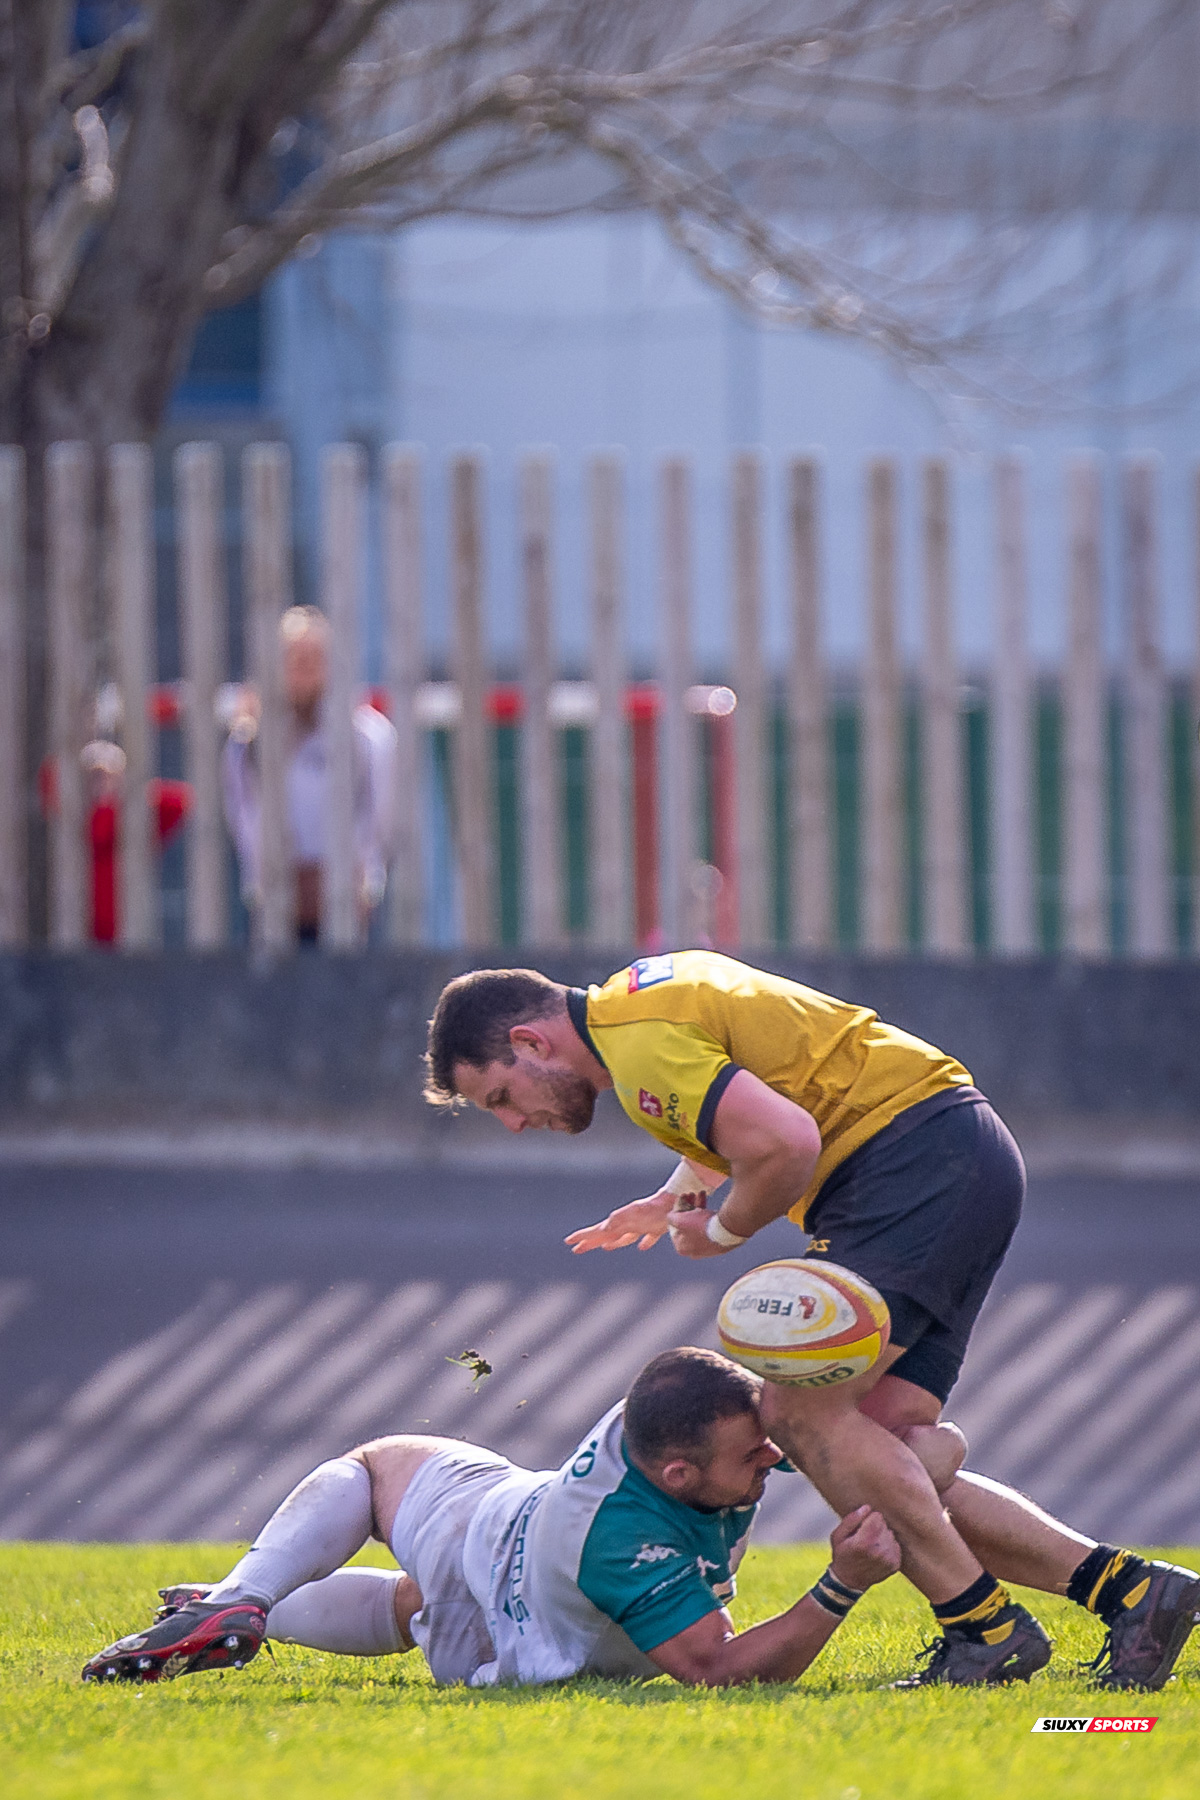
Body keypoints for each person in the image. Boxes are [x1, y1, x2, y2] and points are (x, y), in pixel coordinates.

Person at [423, 951, 1200, 1690]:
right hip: (951, 1152)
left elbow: (786, 1141)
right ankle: (1132, 1594)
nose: (515, 1123)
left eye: (500, 1098)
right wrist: (673, 1200)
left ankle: (985, 1630)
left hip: (905, 1164)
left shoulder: (638, 1056)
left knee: (795, 1410)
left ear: (530, 1041)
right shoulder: (636, 1003)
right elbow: (749, 1100)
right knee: (876, 1445)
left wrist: (722, 1232)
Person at [81, 1347, 898, 1689]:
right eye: (754, 1457)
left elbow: (795, 1420)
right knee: (399, 1543)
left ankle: (240, 1598)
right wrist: (840, 1585)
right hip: (505, 1566)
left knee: (381, 1480)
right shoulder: (624, 1542)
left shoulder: (671, 1417)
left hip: (498, 1535)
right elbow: (716, 1669)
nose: (772, 1460)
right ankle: (239, 1604)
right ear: (678, 1475)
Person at [221, 605, 396, 942]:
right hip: (275, 903)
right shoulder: (248, 742)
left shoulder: (368, 738)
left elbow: (379, 820)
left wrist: (344, 876)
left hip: (351, 902)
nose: (304, 667)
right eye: (293, 657)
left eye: (314, 657)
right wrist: (280, 876)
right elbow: (244, 819)